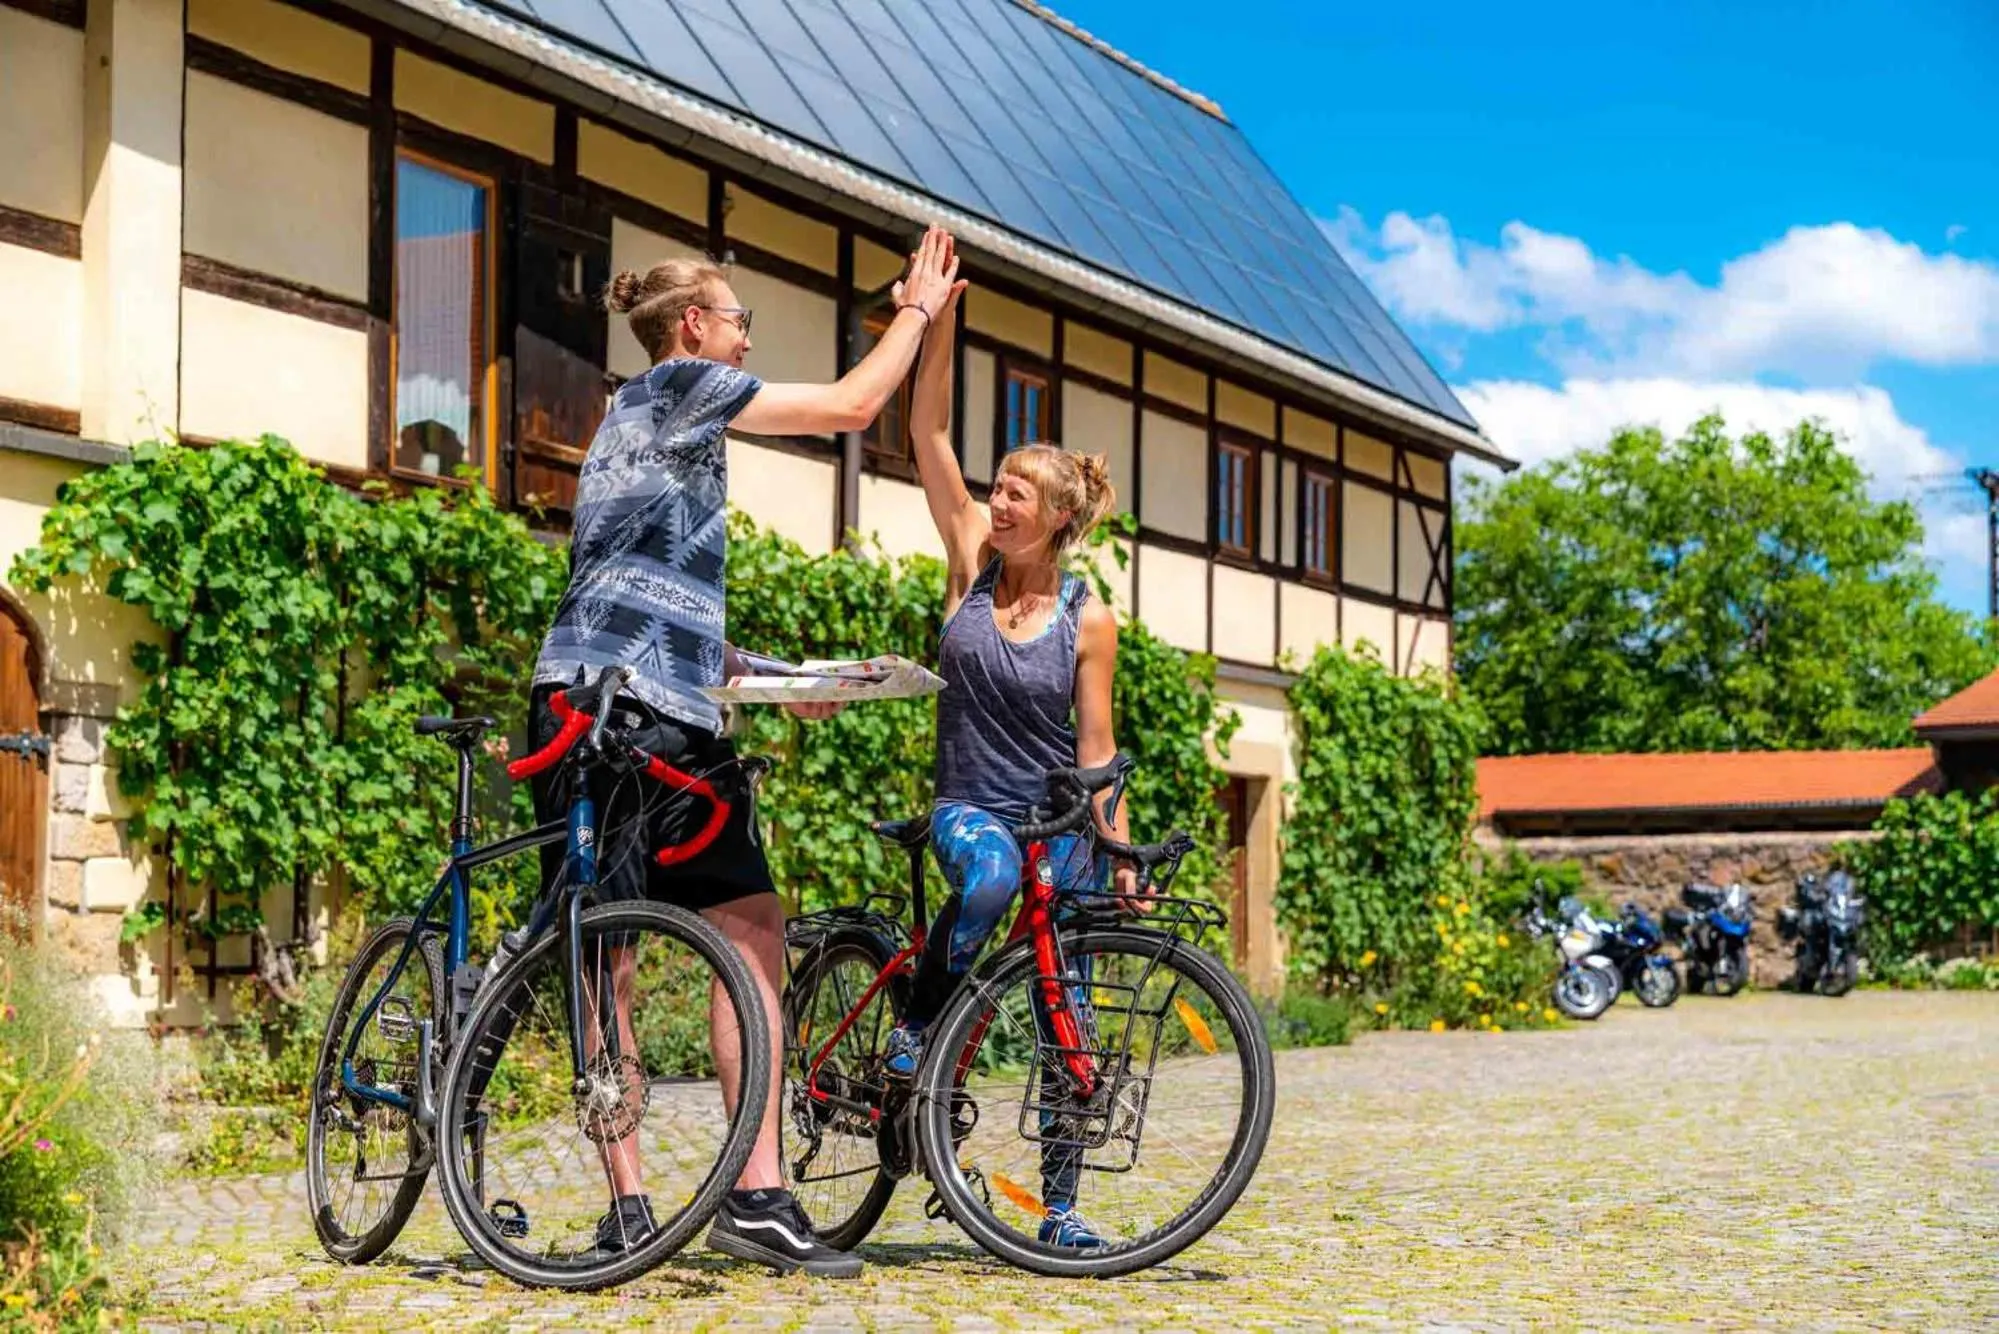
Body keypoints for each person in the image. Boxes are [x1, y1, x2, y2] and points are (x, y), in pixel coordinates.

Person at [528, 228, 963, 1278]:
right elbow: (855, 409)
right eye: (738, 320)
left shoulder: (656, 432)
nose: (747, 336)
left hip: (673, 703)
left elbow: (651, 596)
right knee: (608, 957)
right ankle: (630, 1203)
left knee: (754, 925)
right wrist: (914, 311)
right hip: (599, 710)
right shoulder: (676, 386)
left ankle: (757, 1192)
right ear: (692, 329)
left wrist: (771, 677)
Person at [881, 239, 1137, 1248]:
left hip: (1059, 830)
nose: (995, 503)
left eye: (1014, 495)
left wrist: (1111, 848)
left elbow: (1096, 746)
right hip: (972, 810)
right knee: (983, 879)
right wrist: (935, 315)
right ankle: (912, 1025)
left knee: (1065, 1022)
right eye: (993, 491)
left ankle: (1060, 1210)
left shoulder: (1091, 617)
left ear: (1059, 516)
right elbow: (927, 426)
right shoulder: (967, 565)